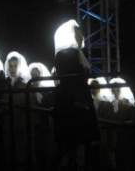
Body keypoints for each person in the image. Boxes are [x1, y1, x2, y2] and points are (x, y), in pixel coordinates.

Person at [53, 19, 100, 169]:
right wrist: (80, 99)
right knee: (73, 139)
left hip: (79, 100)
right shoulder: (65, 54)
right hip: (73, 103)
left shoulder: (76, 54)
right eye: (78, 35)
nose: (81, 38)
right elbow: (71, 81)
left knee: (78, 140)